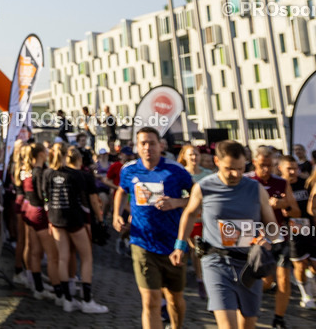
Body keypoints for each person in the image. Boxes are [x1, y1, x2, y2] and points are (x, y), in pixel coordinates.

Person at [171, 140, 278, 329]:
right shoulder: (204, 187)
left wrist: (267, 239)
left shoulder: (255, 189)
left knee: (248, 324)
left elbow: (272, 225)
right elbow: (188, 214)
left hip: (249, 264)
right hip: (216, 261)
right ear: (217, 161)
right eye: (229, 168)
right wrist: (180, 245)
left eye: (240, 168)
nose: (236, 174)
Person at [112, 127, 193, 328]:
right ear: (137, 147)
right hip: (142, 242)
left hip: (172, 243)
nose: (148, 147)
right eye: (143, 143)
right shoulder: (129, 170)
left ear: (161, 145)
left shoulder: (176, 171)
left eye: (152, 143)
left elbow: (197, 200)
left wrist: (176, 202)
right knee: (150, 301)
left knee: (174, 300)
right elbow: (121, 191)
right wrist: (116, 215)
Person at [45, 143, 107, 313]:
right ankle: (87, 300)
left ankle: (67, 299)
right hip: (74, 219)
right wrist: (96, 221)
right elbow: (86, 201)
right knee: (87, 258)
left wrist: (50, 219)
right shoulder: (77, 175)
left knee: (63, 258)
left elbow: (46, 198)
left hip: (56, 219)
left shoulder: (48, 173)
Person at [248, 146, 301, 329]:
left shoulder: (280, 182)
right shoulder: (247, 181)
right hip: (255, 238)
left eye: (270, 166)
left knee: (284, 279)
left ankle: (279, 318)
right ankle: (248, 305)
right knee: (264, 280)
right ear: (255, 162)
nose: (266, 169)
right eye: (263, 165)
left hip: (280, 236)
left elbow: (296, 211)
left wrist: (283, 205)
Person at [19, 143, 59, 301]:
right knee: (52, 255)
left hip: (29, 209)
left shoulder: (27, 170)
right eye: (46, 150)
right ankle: (59, 293)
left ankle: (37, 286)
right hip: (39, 212)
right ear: (42, 154)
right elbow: (44, 196)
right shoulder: (39, 172)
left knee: (34, 251)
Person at [279, 155, 316, 308]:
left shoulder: (305, 184)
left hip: (311, 227)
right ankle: (305, 294)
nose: (293, 172)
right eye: (289, 169)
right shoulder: (279, 186)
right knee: (299, 265)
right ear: (280, 168)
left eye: (295, 168)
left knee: (314, 264)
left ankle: (310, 282)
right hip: (292, 230)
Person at [178, 144, 213, 298]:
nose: (194, 157)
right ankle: (197, 280)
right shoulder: (180, 174)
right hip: (188, 217)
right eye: (190, 154)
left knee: (204, 250)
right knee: (194, 249)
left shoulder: (208, 174)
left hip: (206, 218)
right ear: (184, 156)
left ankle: (204, 279)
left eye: (196, 154)